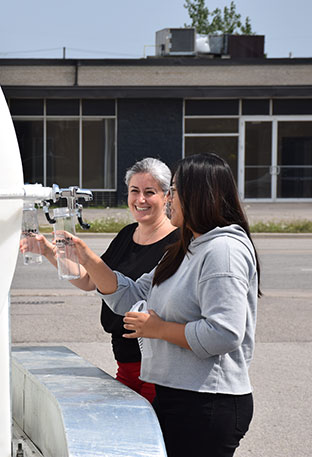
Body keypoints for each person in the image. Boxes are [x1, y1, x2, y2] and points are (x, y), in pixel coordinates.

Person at [69, 153, 260, 457]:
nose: (168, 199)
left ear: (198, 196)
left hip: (209, 401)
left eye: (173, 190)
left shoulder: (223, 251)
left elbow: (224, 333)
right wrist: (88, 259)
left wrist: (157, 329)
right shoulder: (184, 248)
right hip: (175, 395)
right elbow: (131, 295)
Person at [20, 157, 178, 402]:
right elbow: (89, 281)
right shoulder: (127, 234)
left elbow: (132, 295)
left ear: (167, 196)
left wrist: (87, 256)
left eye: (150, 192)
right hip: (125, 366)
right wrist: (48, 250)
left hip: (158, 371)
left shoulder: (177, 243)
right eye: (134, 191)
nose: (141, 200)